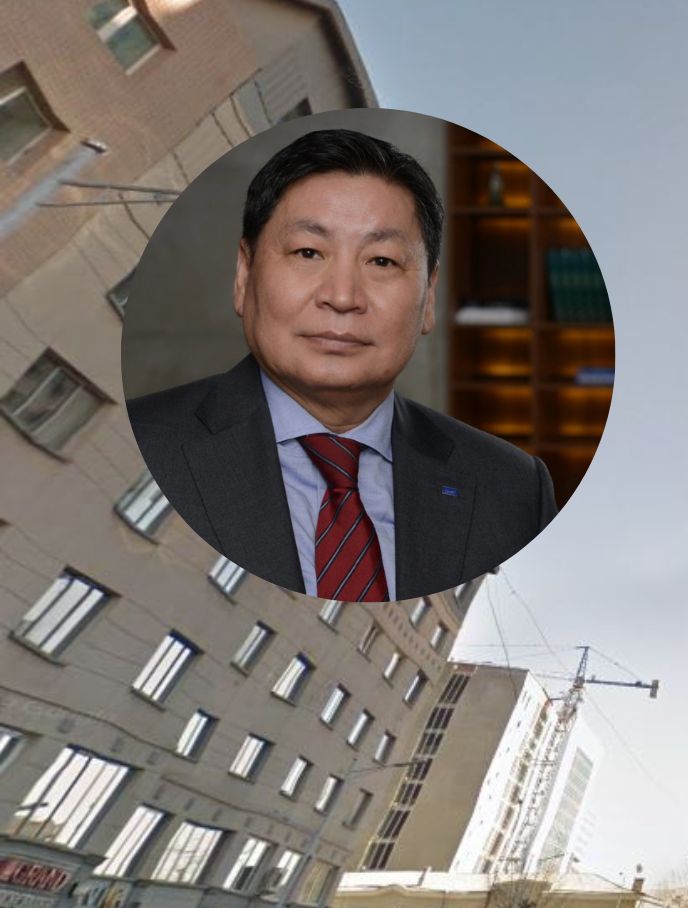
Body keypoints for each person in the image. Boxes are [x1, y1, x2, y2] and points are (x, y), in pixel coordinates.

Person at [129, 128, 556, 602]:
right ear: (244, 275)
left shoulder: (513, 490)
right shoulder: (143, 439)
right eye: (308, 252)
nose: (342, 296)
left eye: (382, 261)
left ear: (429, 298)